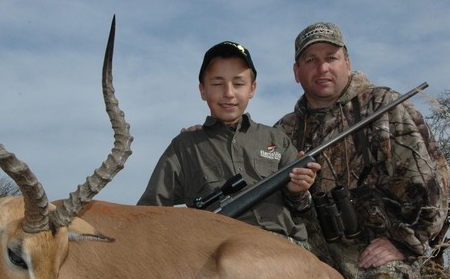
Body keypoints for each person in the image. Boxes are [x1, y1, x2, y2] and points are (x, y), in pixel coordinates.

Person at [275, 22, 450, 279]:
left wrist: (404, 242)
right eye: (311, 60)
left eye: (331, 57)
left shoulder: (383, 106)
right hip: (311, 257)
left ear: (347, 63)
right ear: (296, 72)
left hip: (373, 252)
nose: (322, 68)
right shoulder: (283, 131)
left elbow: (430, 185)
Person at [138, 41, 323, 253]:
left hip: (285, 246)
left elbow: (303, 206)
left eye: (238, 83)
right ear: (202, 90)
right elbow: (148, 214)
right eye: (217, 84)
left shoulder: (276, 138)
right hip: (217, 252)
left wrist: (297, 191)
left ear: (252, 88)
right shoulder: (184, 147)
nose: (228, 93)